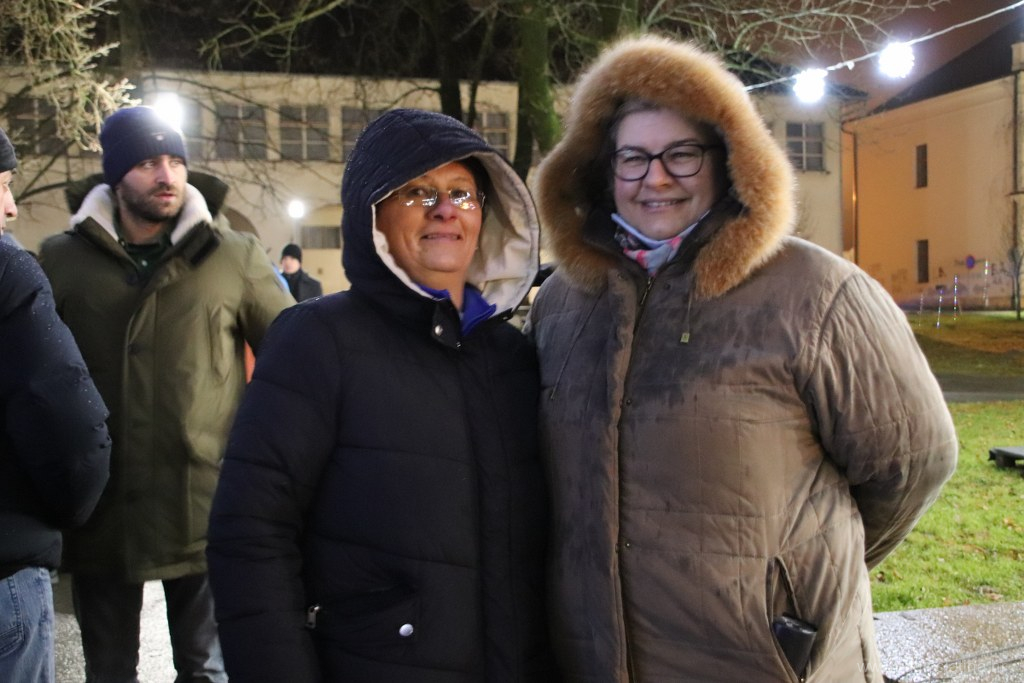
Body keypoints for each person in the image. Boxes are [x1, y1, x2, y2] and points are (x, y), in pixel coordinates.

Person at [527, 35, 959, 682]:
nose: (656, 178)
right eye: (633, 158)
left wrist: (796, 584)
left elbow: (913, 461)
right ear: (601, 170)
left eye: (681, 154)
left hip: (765, 661)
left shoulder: (818, 292)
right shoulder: (563, 303)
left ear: (728, 158)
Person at [207, 108, 557, 682]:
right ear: (370, 213)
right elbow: (250, 536)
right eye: (418, 191)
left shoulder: (512, 357)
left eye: (463, 193)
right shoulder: (317, 342)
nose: (445, 209)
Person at [38, 106, 294, 683]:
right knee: (108, 672)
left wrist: (265, 464)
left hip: (203, 499)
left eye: (176, 161)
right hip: (101, 506)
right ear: (116, 176)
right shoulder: (62, 259)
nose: (167, 175)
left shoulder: (232, 254)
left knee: (205, 671)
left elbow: (294, 360)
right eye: (148, 163)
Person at [0, 126, 111, 683]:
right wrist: (70, 509)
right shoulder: (8, 272)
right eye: (1, 185)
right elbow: (68, 424)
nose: (11, 207)